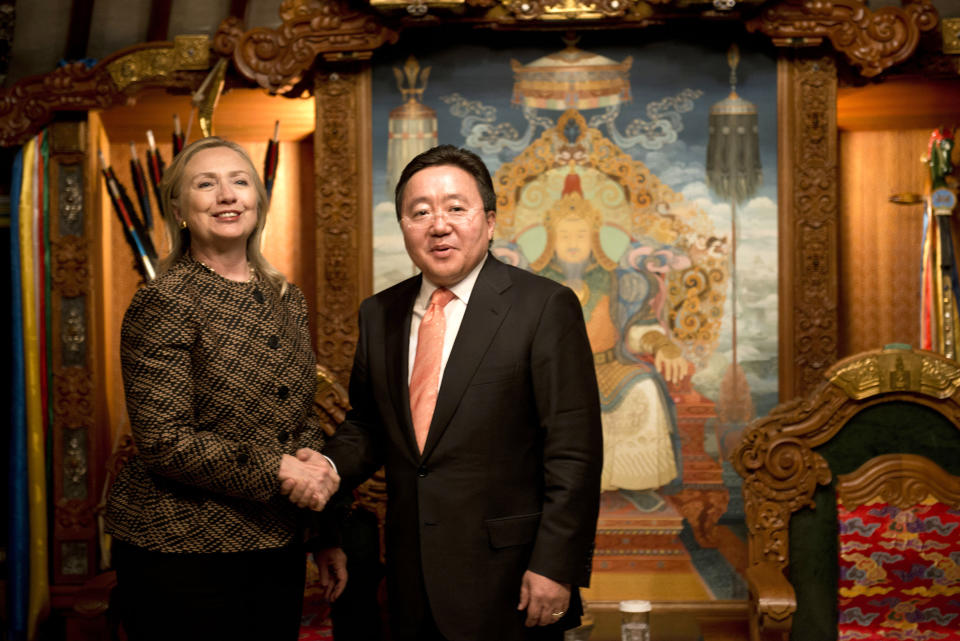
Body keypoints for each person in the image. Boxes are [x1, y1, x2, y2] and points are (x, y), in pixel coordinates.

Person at [319, 144, 603, 640]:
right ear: (404, 225)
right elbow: (367, 425)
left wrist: (556, 567)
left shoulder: (544, 307)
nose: (438, 224)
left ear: (489, 221)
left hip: (511, 578)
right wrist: (325, 468)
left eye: (456, 207)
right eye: (419, 211)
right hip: (410, 577)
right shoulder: (378, 313)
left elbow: (574, 452)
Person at [105, 136, 345, 641]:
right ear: (179, 208)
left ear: (258, 200)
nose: (227, 196)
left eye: (240, 182)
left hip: (274, 545)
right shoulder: (164, 301)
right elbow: (164, 441)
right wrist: (279, 468)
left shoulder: (285, 298)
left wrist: (322, 514)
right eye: (206, 184)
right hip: (180, 553)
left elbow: (299, 419)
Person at [529, 169, 689, 509]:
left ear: (594, 239)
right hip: (553, 373)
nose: (573, 242)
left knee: (644, 388)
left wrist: (662, 345)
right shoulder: (534, 284)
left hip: (609, 367)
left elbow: (636, 328)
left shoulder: (617, 282)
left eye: (581, 235)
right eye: (565, 235)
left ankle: (637, 483)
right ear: (551, 240)